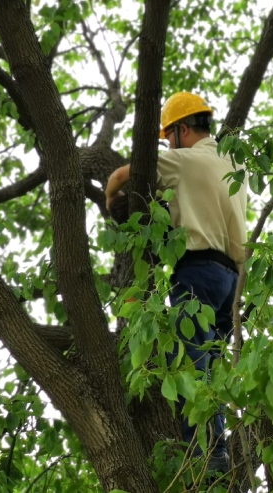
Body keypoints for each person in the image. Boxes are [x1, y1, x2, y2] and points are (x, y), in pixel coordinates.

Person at [105, 92, 247, 474]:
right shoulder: (233, 163)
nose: (168, 145)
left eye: (169, 137)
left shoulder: (183, 161)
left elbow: (120, 176)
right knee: (211, 365)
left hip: (198, 272)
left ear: (183, 130)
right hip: (232, 282)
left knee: (187, 361)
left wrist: (109, 200)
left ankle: (205, 452)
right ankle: (216, 448)